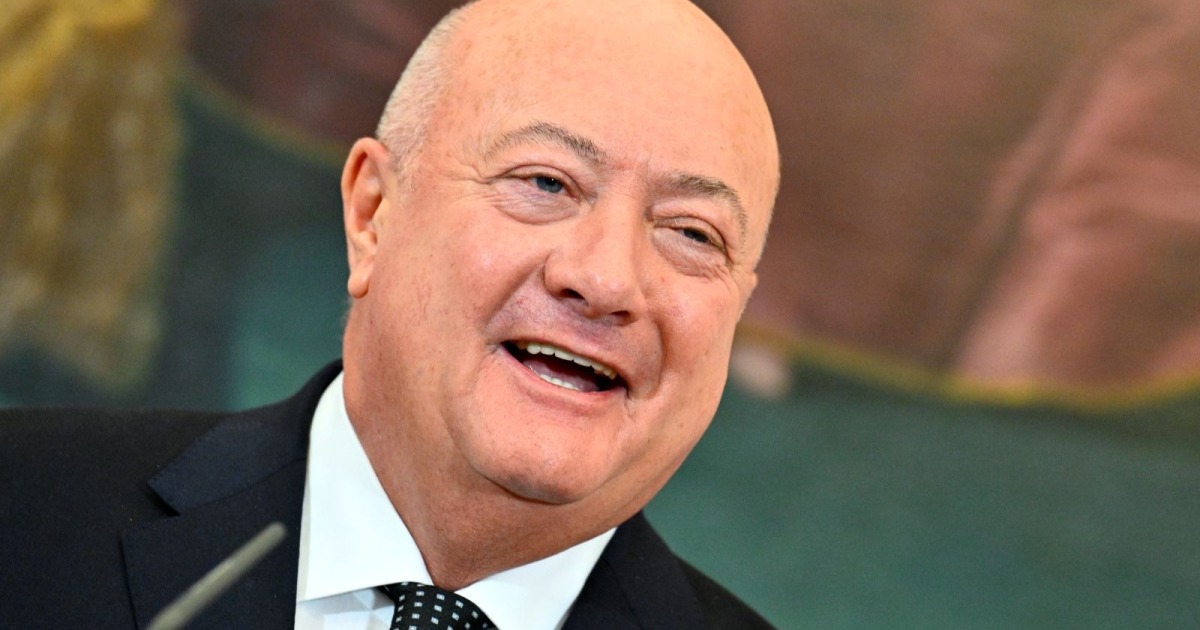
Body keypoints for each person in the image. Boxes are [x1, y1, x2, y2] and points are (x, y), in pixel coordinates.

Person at [0, 0, 780, 627]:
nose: (605, 279)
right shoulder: (22, 515)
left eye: (691, 233)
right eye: (547, 183)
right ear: (372, 212)